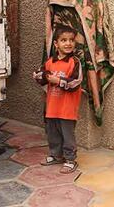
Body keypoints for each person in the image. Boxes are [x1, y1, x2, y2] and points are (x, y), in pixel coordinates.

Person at [33, 25, 83, 174]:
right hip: (52, 106)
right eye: (63, 40)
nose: (68, 43)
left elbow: (75, 82)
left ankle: (70, 159)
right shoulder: (50, 62)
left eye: (71, 40)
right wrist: (40, 76)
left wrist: (58, 81)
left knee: (67, 135)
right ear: (56, 44)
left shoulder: (75, 62)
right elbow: (41, 76)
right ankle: (56, 155)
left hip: (67, 108)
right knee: (53, 133)